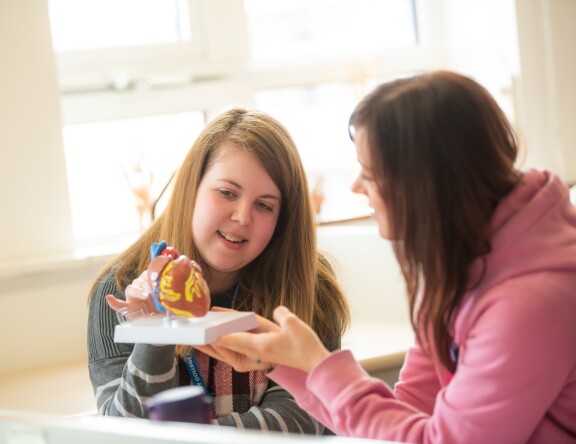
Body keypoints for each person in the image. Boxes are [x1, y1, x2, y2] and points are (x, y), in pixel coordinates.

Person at [197, 71, 576, 443]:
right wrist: (285, 361)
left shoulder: (530, 302)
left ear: (422, 186)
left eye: (371, 175)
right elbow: (405, 415)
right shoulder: (459, 261)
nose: (356, 186)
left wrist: (317, 364)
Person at [87, 107, 350, 434]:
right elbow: (124, 433)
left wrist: (186, 436)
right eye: (227, 192)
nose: (242, 216)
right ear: (191, 189)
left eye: (264, 205)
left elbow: (301, 420)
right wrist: (155, 331)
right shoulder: (119, 289)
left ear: (282, 219)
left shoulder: (307, 284)